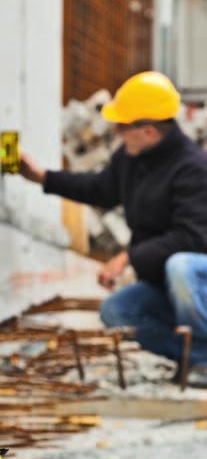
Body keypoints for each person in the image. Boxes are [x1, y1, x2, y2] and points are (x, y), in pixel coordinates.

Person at [19, 71, 207, 374]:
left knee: (181, 267)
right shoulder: (132, 158)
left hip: (198, 279)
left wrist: (128, 257)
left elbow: (192, 238)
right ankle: (198, 357)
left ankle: (200, 352)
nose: (117, 133)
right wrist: (42, 177)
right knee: (117, 311)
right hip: (164, 284)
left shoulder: (193, 169)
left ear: (148, 131)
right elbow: (99, 189)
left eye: (123, 126)